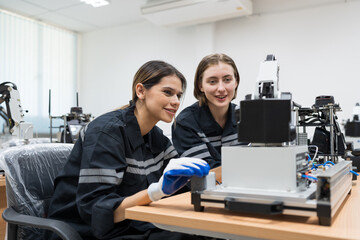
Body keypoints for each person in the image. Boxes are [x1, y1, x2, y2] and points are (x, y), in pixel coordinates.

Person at [47, 60, 210, 240]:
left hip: (131, 224)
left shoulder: (157, 138)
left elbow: (181, 191)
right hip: (86, 231)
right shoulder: (107, 133)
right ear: (140, 91)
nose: (175, 102)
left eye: (178, 95)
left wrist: (199, 183)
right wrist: (155, 192)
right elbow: (96, 211)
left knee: (202, 232)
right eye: (167, 92)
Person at [172, 53, 245, 183]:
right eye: (212, 81)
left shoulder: (247, 117)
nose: (221, 88)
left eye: (227, 80)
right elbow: (202, 177)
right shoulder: (185, 123)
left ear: (236, 82)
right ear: (201, 86)